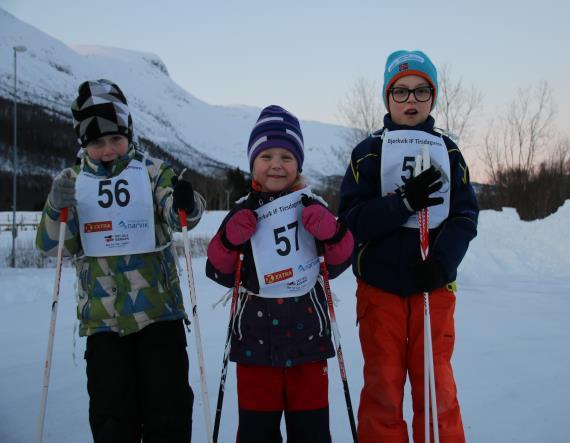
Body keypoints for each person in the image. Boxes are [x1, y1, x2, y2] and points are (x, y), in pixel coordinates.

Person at [36, 79, 205, 443]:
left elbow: (180, 215)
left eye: (115, 139)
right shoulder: (72, 180)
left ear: (129, 133)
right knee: (113, 420)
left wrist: (185, 203)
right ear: (84, 144)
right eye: (97, 142)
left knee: (170, 414)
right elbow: (52, 245)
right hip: (103, 325)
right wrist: (55, 205)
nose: (109, 149)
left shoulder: (152, 171)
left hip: (159, 317)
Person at [338, 50, 479, 443]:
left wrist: (443, 262)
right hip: (380, 289)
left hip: (432, 287)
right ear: (387, 98)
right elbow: (351, 223)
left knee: (437, 388)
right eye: (400, 92)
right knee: (382, 386)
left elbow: (466, 216)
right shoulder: (367, 152)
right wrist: (401, 203)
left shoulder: (448, 151)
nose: (411, 101)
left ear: (433, 98)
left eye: (421, 91)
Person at [206, 105, 354, 443]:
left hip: (310, 345)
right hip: (255, 346)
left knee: (312, 432)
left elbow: (343, 259)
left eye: (287, 156)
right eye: (266, 155)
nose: (276, 164)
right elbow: (217, 269)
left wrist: (331, 232)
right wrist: (230, 238)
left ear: (298, 163)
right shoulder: (243, 209)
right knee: (258, 433)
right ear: (252, 162)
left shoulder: (311, 203)